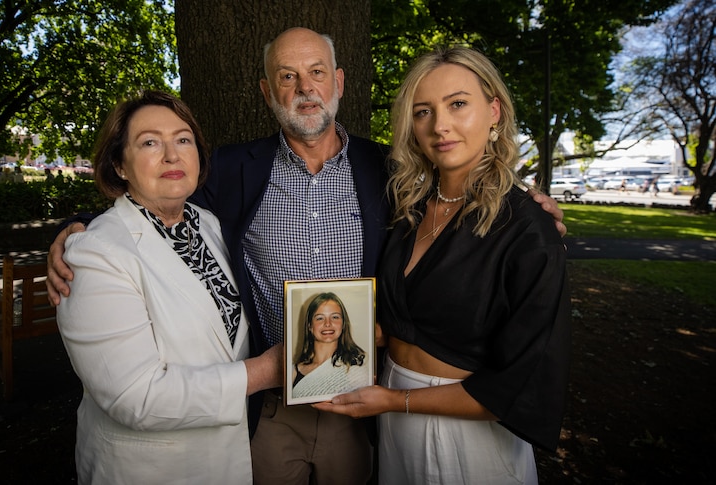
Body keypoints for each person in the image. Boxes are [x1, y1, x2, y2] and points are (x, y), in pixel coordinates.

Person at [47, 28, 567, 484]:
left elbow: (471, 216)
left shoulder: (390, 173)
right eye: (287, 77)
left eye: (317, 72)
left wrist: (533, 206)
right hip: (269, 409)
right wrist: (78, 232)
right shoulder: (230, 169)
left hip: (362, 401)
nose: (305, 88)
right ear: (267, 91)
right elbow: (156, 207)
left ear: (339, 82)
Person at [314, 47, 571, 485]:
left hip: (468, 437)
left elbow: (519, 383)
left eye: (457, 104)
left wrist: (395, 401)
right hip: (393, 420)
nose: (440, 126)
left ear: (493, 110)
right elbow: (410, 318)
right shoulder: (409, 211)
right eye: (423, 112)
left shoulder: (527, 229)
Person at [54, 90, 283, 484]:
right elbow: (135, 396)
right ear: (119, 165)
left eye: (183, 139)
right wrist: (265, 372)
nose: (172, 155)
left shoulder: (208, 224)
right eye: (149, 143)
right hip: (148, 469)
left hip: (224, 460)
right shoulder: (94, 253)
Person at [292, 292, 370, 399]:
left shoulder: (355, 370)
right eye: (320, 318)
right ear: (310, 326)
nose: (327, 323)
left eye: (335, 317)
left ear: (343, 324)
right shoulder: (293, 371)